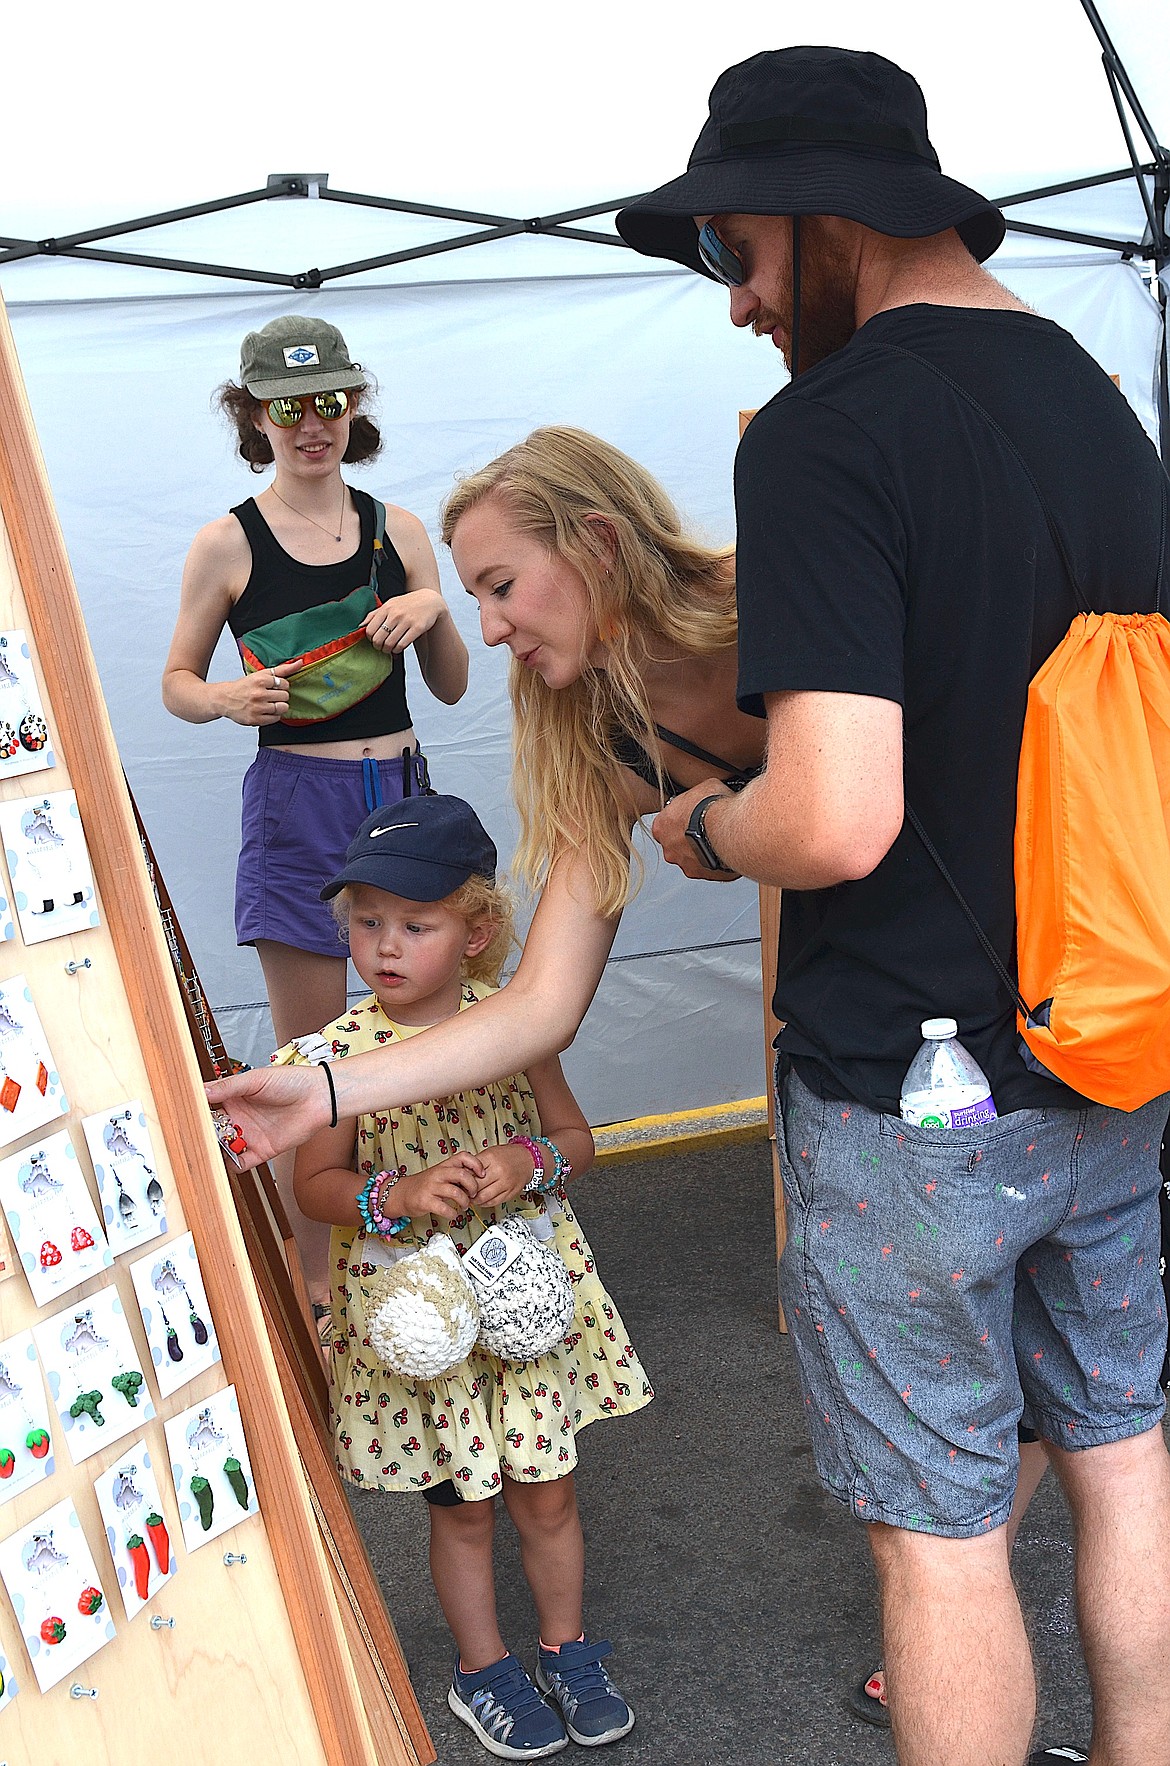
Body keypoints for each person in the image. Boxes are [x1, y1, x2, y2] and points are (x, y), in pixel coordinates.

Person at [614, 45, 1170, 1766]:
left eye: (742, 252)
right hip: (1114, 1042)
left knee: (939, 1544)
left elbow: (839, 816)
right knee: (1127, 1463)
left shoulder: (826, 434)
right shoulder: (1095, 396)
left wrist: (705, 828)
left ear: (830, 214)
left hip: (907, 1092)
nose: (740, 302)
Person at [206, 424, 765, 1155]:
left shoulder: (774, 595)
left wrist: (725, 822)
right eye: (473, 598)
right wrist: (325, 1092)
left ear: (599, 544)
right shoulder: (600, 743)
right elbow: (539, 1005)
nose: (492, 630)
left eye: (501, 588)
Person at [281, 794, 649, 1759]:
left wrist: (532, 1163)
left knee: (550, 1491)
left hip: (525, 1310)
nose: (385, 946)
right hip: (424, 1323)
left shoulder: (517, 1024)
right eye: (366, 923)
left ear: (478, 929)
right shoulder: (336, 1060)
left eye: (415, 923)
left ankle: (566, 1649)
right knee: (464, 1506)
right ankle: (481, 1671)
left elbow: (576, 1139)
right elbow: (313, 1185)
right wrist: (392, 1194)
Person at [163, 314, 468, 1312]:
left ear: (353, 406)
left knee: (423, 1043)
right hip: (300, 799)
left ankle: (426, 1272)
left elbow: (453, 687)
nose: (311, 425)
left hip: (402, 796)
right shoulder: (227, 541)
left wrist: (435, 607)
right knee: (318, 1060)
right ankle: (321, 1299)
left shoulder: (400, 528)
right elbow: (176, 678)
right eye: (288, 407)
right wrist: (220, 699)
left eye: (329, 401)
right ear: (254, 414)